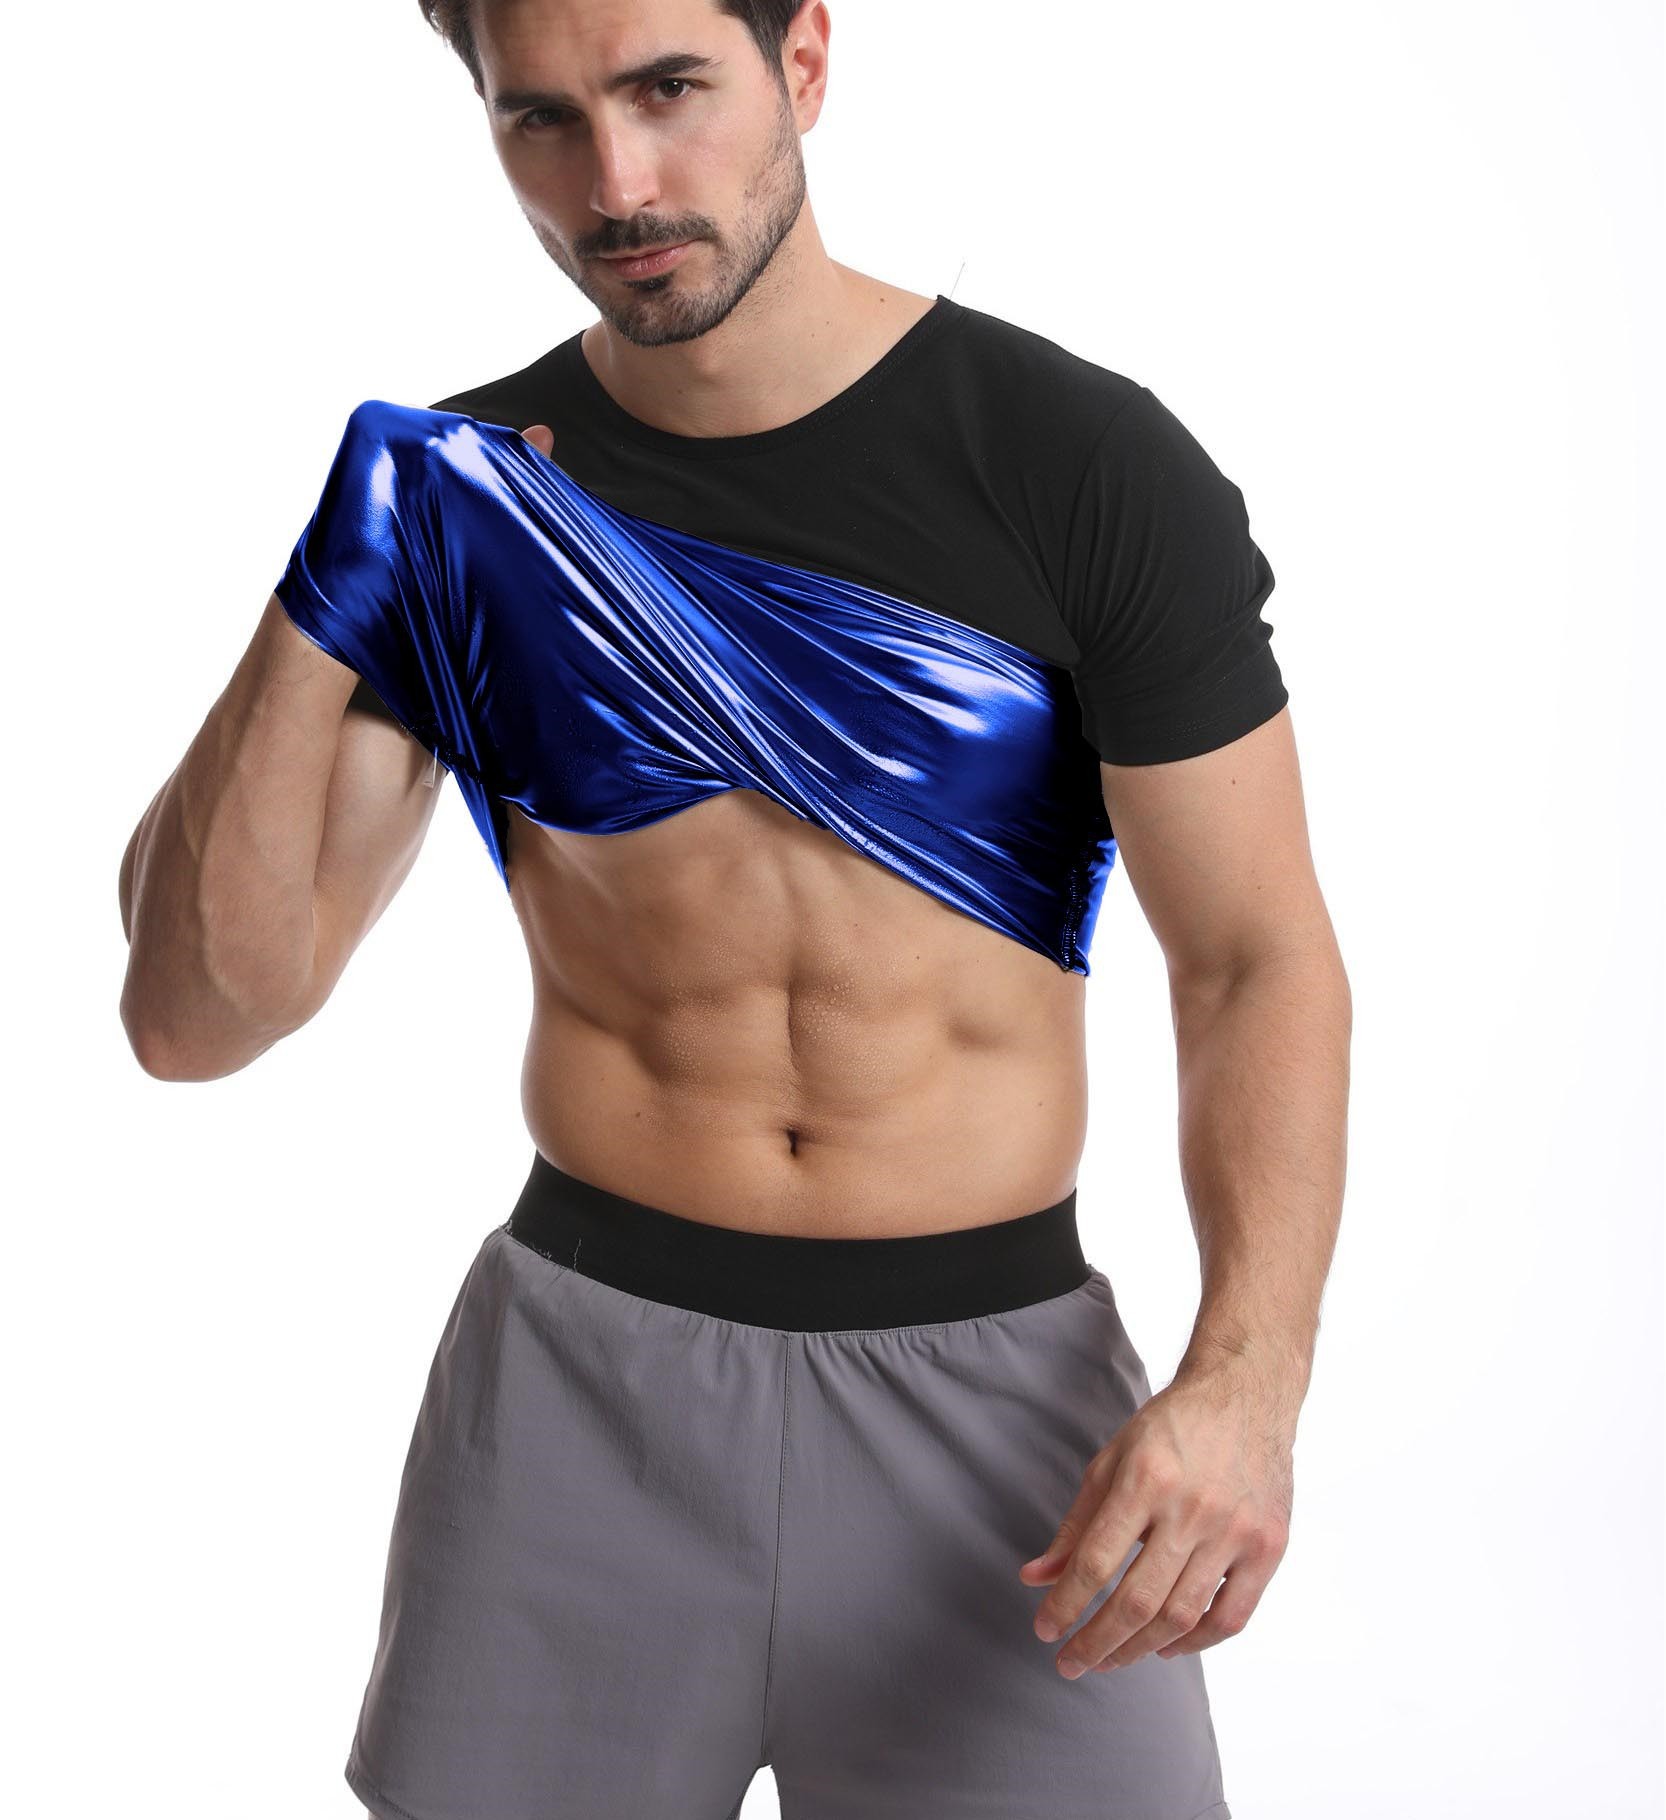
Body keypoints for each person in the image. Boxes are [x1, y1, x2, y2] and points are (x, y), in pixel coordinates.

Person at [117, 1, 1351, 1815]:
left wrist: (1244, 1387)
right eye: (541, 120)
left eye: (667, 89)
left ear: (806, 64)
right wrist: (329, 584)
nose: (614, 182)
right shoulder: (471, 501)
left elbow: (1253, 961)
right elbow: (196, 1017)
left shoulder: (1076, 463)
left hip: (999, 1414)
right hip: (578, 1398)